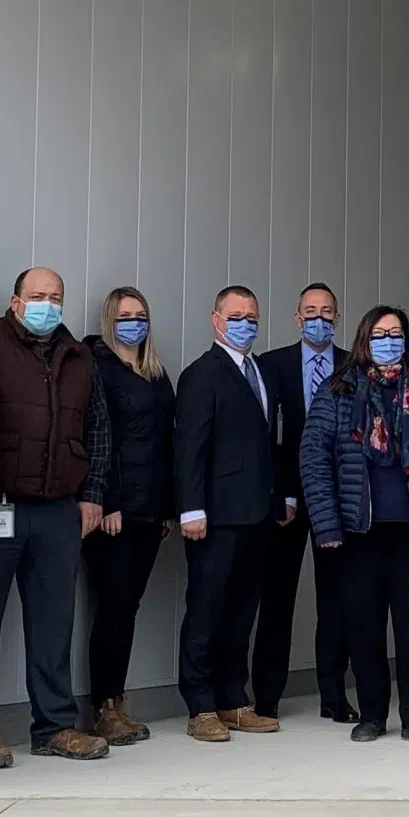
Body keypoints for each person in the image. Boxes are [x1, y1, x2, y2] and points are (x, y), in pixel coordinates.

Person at [0, 267, 110, 770]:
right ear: (15, 301)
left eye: (56, 297)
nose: (47, 305)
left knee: (54, 621)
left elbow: (99, 429)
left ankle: (55, 726)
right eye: (37, 296)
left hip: (59, 509)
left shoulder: (80, 356)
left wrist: (93, 495)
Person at [301, 304, 409, 744]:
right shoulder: (338, 389)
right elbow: (314, 458)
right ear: (364, 340)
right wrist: (327, 526)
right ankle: (372, 714)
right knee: (363, 626)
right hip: (359, 532)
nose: (388, 341)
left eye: (396, 333)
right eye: (379, 334)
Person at [173, 285, 281, 741]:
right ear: (216, 320)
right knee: (206, 610)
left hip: (256, 515)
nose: (245, 324)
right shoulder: (202, 374)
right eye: (236, 316)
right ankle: (200, 707)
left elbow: (271, 442)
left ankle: (234, 699)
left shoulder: (261, 372)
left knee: (241, 611)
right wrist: (191, 509)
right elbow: (189, 448)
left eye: (252, 316)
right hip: (214, 517)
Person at [253, 283, 355, 725]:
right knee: (277, 599)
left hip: (336, 501)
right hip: (285, 501)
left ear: (337, 317)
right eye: (310, 311)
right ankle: (266, 698)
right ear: (297, 318)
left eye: (326, 311)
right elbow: (264, 440)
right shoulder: (271, 365)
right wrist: (282, 493)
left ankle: (334, 696)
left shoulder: (354, 366)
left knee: (337, 600)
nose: (319, 319)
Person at [80, 286, 175, 746]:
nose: (134, 323)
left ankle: (118, 701)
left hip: (149, 511)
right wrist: (108, 499)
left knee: (128, 609)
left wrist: (168, 508)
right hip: (113, 512)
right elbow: (97, 435)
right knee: (113, 607)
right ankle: (102, 706)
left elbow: (168, 440)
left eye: (141, 314)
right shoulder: (97, 366)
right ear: (108, 320)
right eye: (125, 316)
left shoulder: (156, 373)